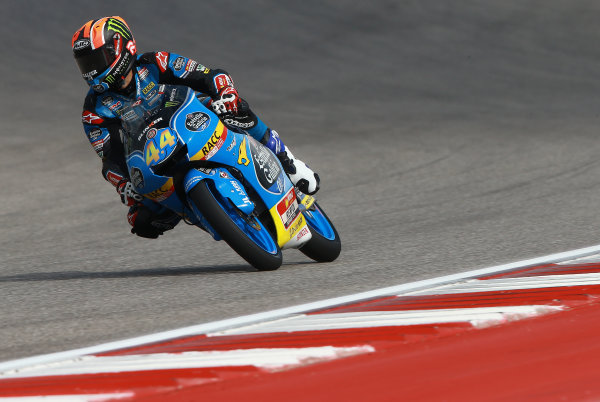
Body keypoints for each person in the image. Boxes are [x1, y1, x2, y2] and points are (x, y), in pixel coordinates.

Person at [72, 16, 320, 239]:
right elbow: (110, 158)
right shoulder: (94, 110)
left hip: (192, 117)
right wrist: (123, 186)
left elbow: (207, 75)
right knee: (141, 220)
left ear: (121, 47)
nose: (91, 71)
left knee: (236, 108)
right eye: (85, 64)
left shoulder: (154, 63)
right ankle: (202, 212)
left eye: (96, 59)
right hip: (154, 156)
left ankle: (287, 161)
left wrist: (226, 92)